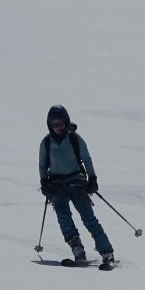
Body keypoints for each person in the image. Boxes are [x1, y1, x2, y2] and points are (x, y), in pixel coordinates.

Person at [38, 104, 114, 267]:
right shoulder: (46, 142)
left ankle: (106, 252)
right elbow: (42, 164)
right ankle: (77, 249)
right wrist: (44, 182)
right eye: (54, 124)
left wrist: (92, 179)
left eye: (61, 124)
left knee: (88, 218)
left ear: (66, 122)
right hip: (57, 186)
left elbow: (87, 159)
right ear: (49, 125)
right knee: (63, 218)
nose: (58, 127)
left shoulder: (74, 138)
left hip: (76, 183)